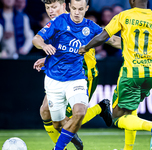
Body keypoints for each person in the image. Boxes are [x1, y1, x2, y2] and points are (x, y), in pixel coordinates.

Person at [79, 0, 152, 150]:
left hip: (132, 72)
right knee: (130, 110)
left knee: (117, 117)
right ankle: (128, 149)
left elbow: (102, 36)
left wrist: (86, 47)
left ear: (131, 1)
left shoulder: (124, 16)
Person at [32, 0, 121, 149]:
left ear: (64, 6)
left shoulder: (80, 21)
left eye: (54, 7)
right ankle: (69, 137)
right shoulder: (57, 23)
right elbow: (62, 49)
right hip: (60, 75)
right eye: (48, 8)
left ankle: (67, 140)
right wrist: (48, 58)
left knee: (72, 116)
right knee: (46, 112)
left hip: (85, 72)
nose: (51, 11)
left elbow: (105, 40)